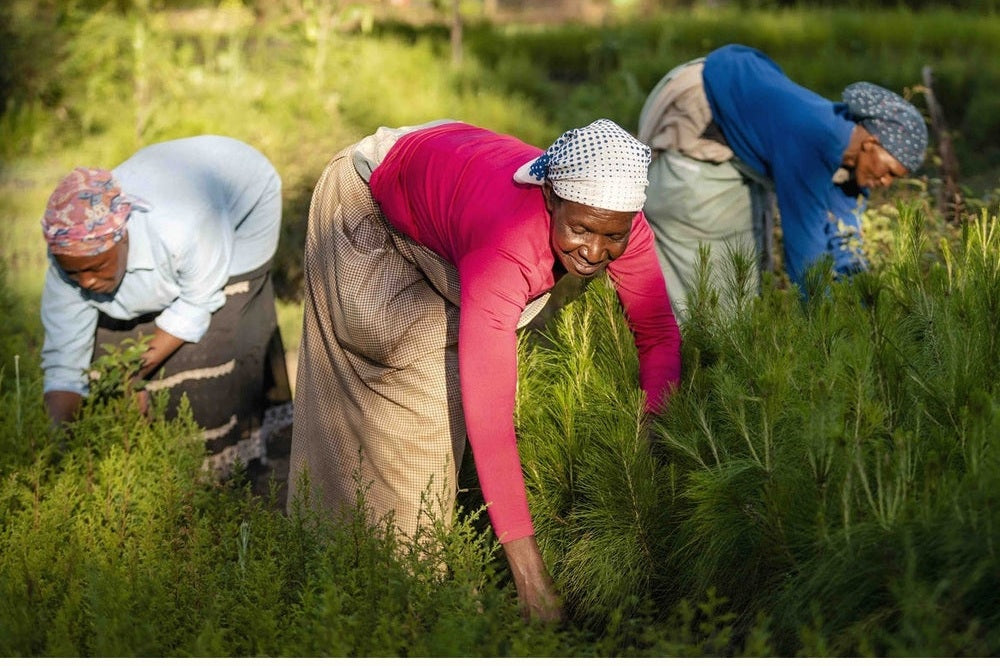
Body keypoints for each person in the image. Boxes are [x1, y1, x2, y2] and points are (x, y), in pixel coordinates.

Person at [287, 118, 682, 622]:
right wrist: (530, 575)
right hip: (368, 200)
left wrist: (653, 435)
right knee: (417, 407)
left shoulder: (616, 216)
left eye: (612, 237)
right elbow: (491, 418)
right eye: (580, 230)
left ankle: (366, 554)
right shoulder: (505, 248)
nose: (594, 252)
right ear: (550, 197)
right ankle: (385, 598)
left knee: (445, 386)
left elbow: (657, 332)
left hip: (444, 181)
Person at [40, 135, 292, 474]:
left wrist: (131, 374)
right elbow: (64, 365)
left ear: (123, 237)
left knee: (215, 343)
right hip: (176, 199)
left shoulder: (181, 229)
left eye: (96, 267)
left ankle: (233, 461)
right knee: (110, 351)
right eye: (74, 273)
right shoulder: (65, 265)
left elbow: (198, 302)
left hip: (244, 199)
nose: (86, 282)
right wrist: (56, 453)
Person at [637, 43, 929, 318]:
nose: (886, 182)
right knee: (715, 281)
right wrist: (826, 327)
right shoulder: (814, 141)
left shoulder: (852, 159)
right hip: (699, 103)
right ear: (871, 143)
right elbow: (805, 251)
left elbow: (845, 237)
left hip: (742, 88)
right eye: (890, 171)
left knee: (748, 270)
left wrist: (865, 307)